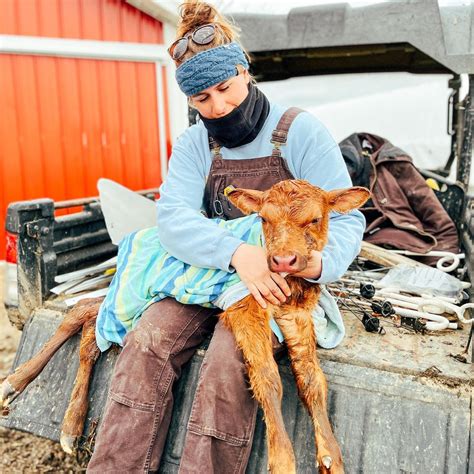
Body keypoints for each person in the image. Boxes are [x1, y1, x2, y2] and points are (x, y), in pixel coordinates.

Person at [87, 1, 365, 472]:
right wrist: (238, 253)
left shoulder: (300, 132)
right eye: (201, 100)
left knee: (227, 362)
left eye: (224, 88)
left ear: (243, 71)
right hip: (209, 272)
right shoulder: (196, 143)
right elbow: (172, 219)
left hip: (279, 285)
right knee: (146, 343)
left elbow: (346, 220)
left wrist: (318, 264)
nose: (217, 106)